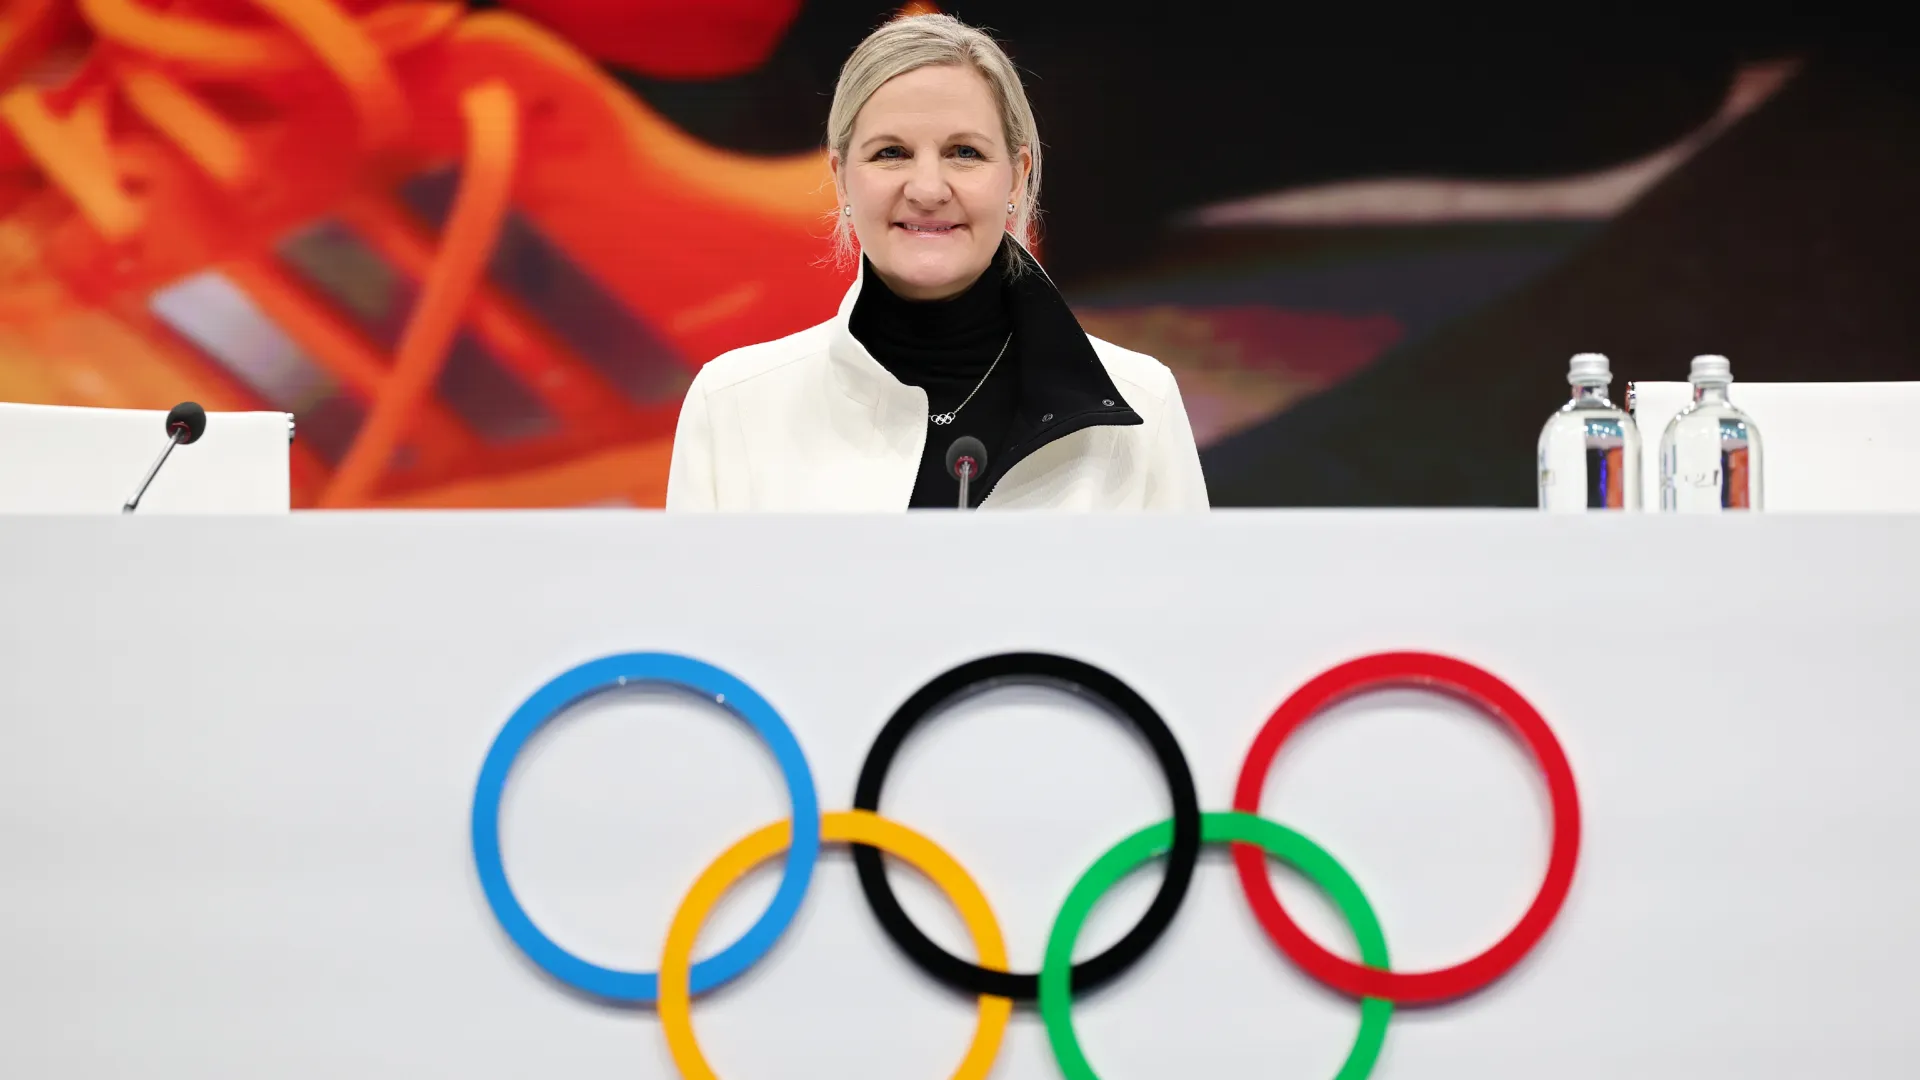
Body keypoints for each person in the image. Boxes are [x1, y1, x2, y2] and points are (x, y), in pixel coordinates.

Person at [664, 13, 1208, 511]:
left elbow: (1191, 618)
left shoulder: (1143, 406)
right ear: (840, 178)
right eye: (890, 153)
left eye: (964, 153)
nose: (927, 189)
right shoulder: (732, 406)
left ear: (1016, 177)